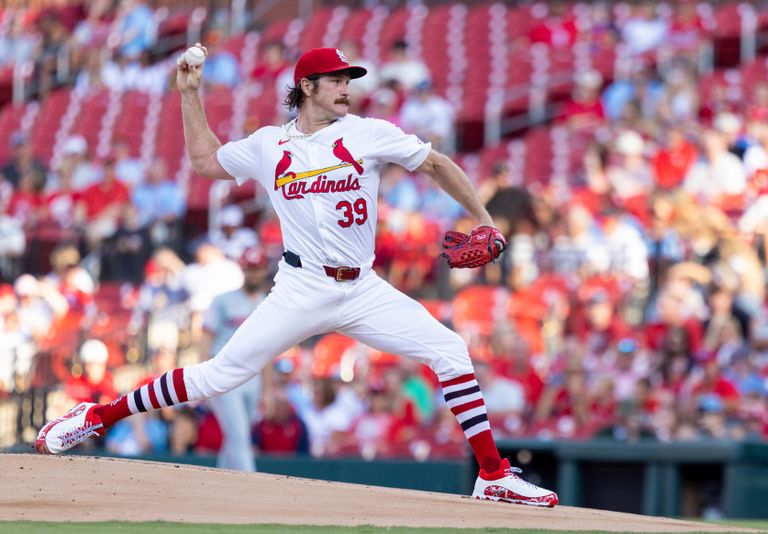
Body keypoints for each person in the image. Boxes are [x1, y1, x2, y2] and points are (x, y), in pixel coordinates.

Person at [36, 45, 558, 507]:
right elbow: (204, 162)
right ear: (306, 87)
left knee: (451, 351)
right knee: (220, 375)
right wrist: (189, 95)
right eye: (334, 80)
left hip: (362, 287)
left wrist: (485, 219)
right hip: (302, 286)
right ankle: (97, 417)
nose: (345, 89)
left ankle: (492, 475)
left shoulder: (368, 134)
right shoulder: (269, 145)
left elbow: (437, 164)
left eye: (348, 80)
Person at [201, 247, 269, 471]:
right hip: (225, 373)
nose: (253, 274)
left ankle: (220, 481)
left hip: (253, 376)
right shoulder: (222, 300)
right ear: (242, 269)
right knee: (239, 434)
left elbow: (268, 348)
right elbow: (205, 339)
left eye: (257, 269)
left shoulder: (270, 303)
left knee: (237, 435)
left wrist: (267, 389)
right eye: (249, 269)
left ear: (264, 270)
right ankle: (252, 483)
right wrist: (203, 375)